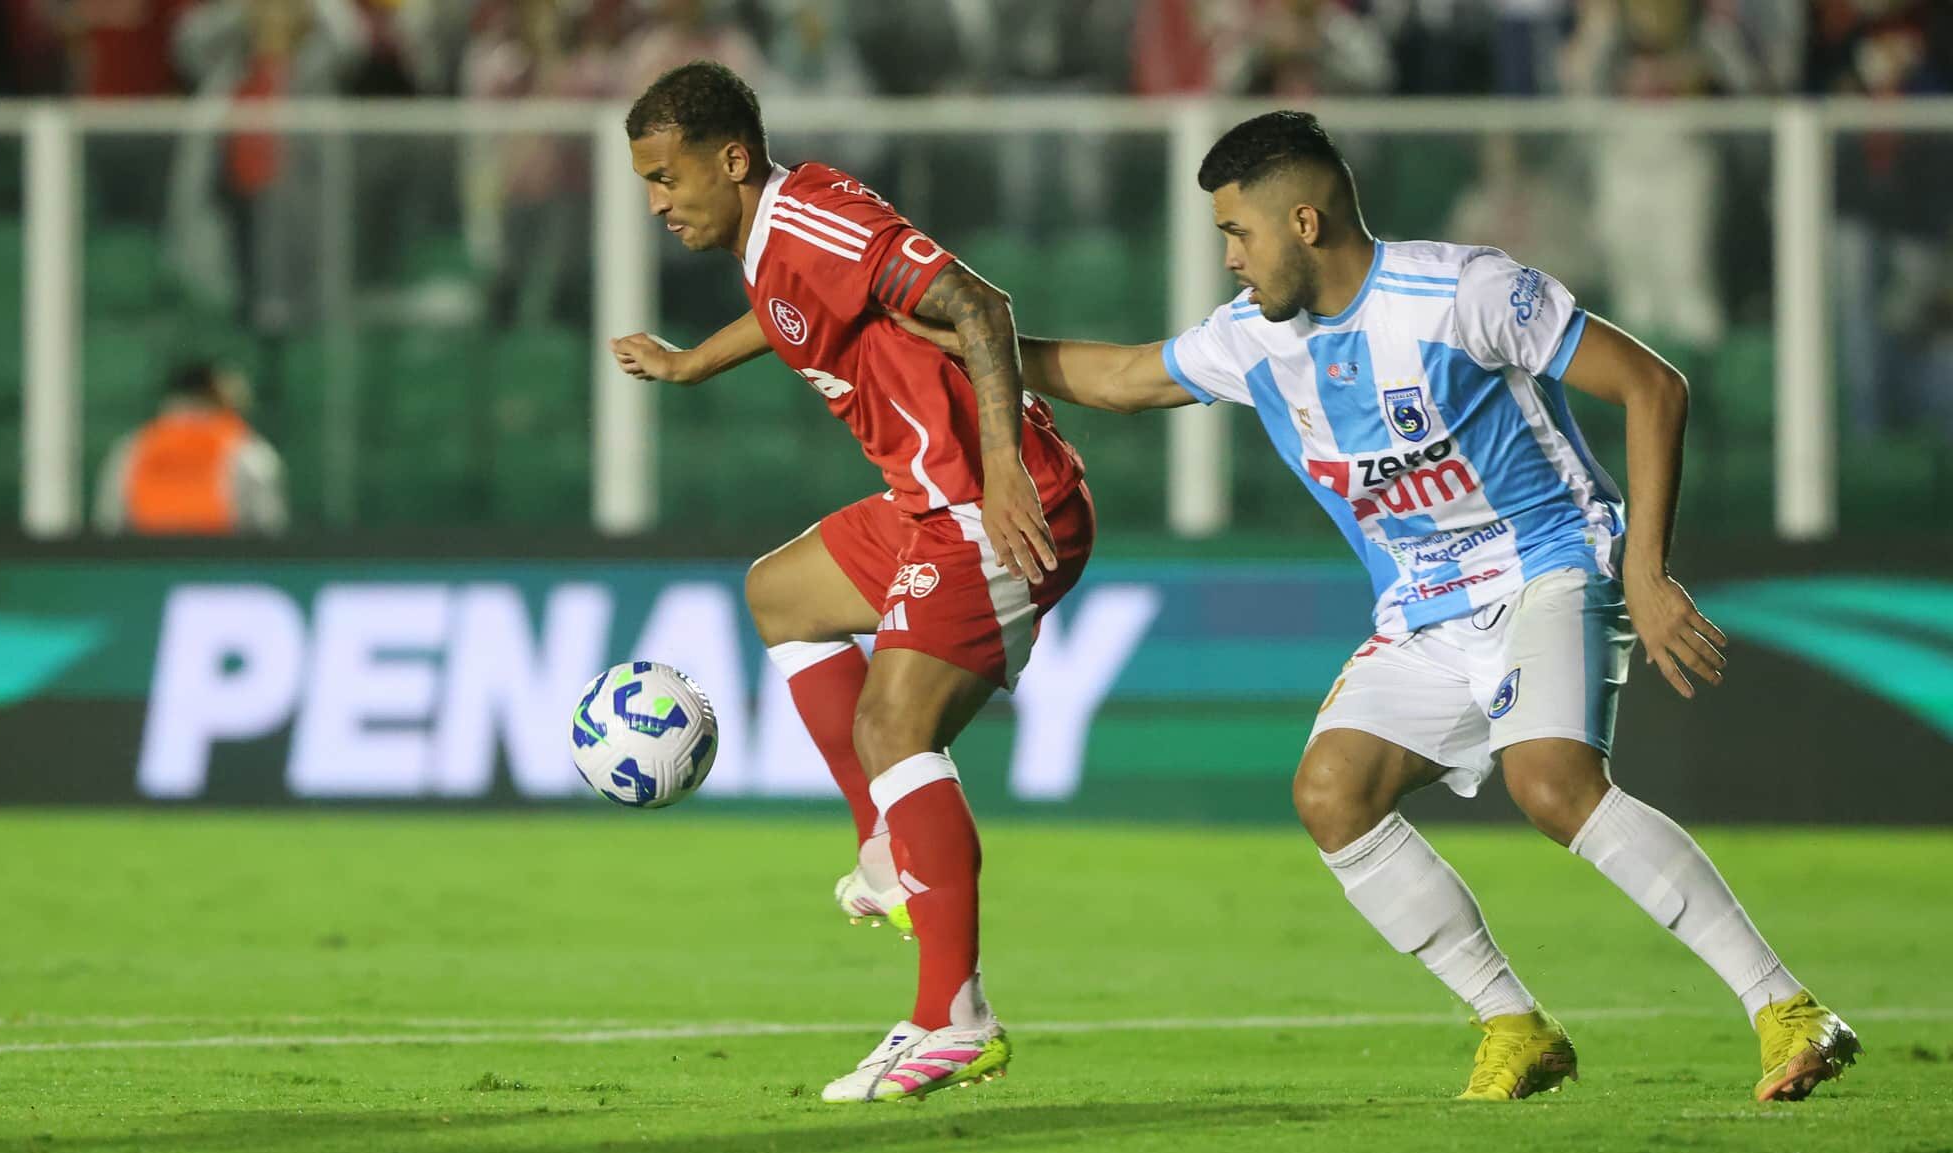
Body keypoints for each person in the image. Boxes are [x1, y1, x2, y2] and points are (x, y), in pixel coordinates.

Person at [900, 110, 1859, 1104]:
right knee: (1330, 792)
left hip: (1547, 566)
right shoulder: (1255, 340)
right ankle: (1512, 1025)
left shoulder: (1462, 292)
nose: (1227, 257)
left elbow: (1652, 387)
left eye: (1237, 232)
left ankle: (1783, 1006)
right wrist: (974, 340)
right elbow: (1120, 377)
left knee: (1550, 783)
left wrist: (1647, 572)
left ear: (1303, 223)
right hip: (1423, 611)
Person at [606, 61, 1094, 1103]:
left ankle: (950, 1017)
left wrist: (1002, 463)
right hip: (925, 502)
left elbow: (977, 303)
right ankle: (884, 845)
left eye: (663, 175)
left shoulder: (815, 220)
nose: (654, 201)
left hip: (985, 500)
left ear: (730, 158)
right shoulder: (771, 244)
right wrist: (693, 363)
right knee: (780, 593)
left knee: (894, 728)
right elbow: (797, 317)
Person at [94, 361, 288, 536]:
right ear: (214, 390)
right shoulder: (244, 447)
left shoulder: (135, 446)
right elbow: (268, 523)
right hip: (223, 565)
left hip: (146, 564)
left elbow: (110, 519)